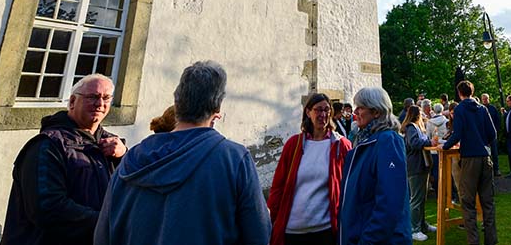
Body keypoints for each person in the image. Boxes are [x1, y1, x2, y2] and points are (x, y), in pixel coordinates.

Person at [94, 61, 270, 245]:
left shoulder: (133, 157)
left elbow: (103, 235)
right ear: (217, 109)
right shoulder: (233, 159)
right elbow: (258, 236)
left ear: (177, 102)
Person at [2, 74, 126, 245]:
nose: (100, 104)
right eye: (92, 97)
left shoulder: (112, 144)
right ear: (72, 101)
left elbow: (130, 188)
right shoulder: (47, 145)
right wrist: (106, 222)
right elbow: (48, 208)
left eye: (106, 98)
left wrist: (123, 155)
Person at [268, 93, 352, 245]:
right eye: (318, 110)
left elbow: (350, 188)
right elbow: (278, 187)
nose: (323, 114)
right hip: (293, 230)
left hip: (325, 231)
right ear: (308, 112)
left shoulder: (341, 146)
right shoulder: (294, 144)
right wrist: (270, 219)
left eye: (327, 110)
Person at [339, 87, 411, 244]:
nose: (355, 112)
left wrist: (367, 241)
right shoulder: (365, 142)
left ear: (376, 112)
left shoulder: (388, 141)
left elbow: (390, 202)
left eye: (360, 107)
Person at [443, 81, 497, 245]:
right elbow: (493, 134)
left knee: (467, 201)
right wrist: (481, 142)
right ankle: (491, 240)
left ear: (460, 93)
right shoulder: (482, 108)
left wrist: (445, 146)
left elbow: (457, 133)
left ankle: (473, 241)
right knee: (488, 202)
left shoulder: (460, 109)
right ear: (472, 92)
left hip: (470, 159)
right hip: (485, 157)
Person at [401, 105, 436, 241]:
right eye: (420, 113)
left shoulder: (415, 127)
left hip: (421, 166)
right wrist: (429, 141)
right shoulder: (411, 127)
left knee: (421, 198)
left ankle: (422, 225)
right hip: (415, 167)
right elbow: (414, 143)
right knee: (416, 199)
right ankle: (414, 229)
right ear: (416, 114)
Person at [480, 93, 503, 176]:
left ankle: (496, 169)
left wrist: (495, 131)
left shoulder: (493, 109)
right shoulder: (480, 109)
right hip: (483, 135)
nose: (485, 100)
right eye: (483, 99)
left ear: (488, 99)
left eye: (486, 99)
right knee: (485, 153)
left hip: (492, 134)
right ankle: (486, 171)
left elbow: (498, 121)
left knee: (494, 152)